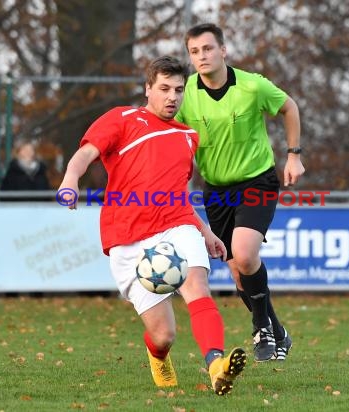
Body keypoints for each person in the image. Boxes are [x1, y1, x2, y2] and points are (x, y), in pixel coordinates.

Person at [57, 56, 246, 395]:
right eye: (164, 89)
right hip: (126, 236)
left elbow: (179, 196)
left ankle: (216, 364)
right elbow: (86, 153)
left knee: (197, 285)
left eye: (178, 90)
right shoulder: (123, 118)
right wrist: (71, 178)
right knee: (164, 335)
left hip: (174, 226)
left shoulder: (189, 136)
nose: (172, 97)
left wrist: (206, 233)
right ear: (148, 89)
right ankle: (157, 354)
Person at [176, 23, 306, 362]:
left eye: (207, 49)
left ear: (223, 50)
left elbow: (289, 107)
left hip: (256, 181)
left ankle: (262, 328)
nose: (201, 56)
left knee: (245, 255)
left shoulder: (251, 85)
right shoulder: (185, 92)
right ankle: (277, 331)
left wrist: (294, 155)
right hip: (216, 188)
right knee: (236, 270)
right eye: (194, 52)